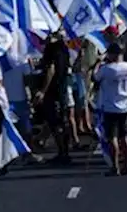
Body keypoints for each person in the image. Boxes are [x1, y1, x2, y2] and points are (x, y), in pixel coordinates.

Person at [93, 43, 127, 176]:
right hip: (125, 106)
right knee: (124, 136)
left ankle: (115, 167)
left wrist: (97, 63)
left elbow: (95, 77)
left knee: (112, 137)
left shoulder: (107, 69)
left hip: (110, 106)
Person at [36, 32, 72, 165]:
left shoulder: (52, 49)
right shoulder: (64, 48)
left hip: (53, 90)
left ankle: (63, 153)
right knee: (62, 121)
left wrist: (42, 91)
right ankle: (64, 152)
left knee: (56, 122)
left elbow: (51, 69)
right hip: (62, 88)